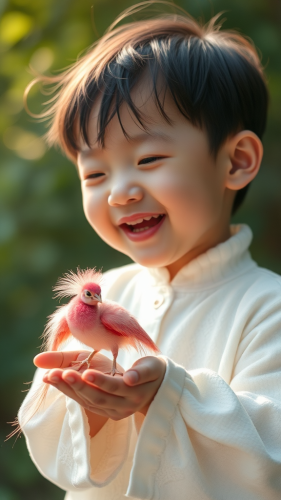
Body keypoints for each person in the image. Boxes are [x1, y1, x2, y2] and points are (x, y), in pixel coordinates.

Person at [18, 3, 281, 499]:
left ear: (237, 161)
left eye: (148, 158)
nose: (119, 192)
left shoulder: (267, 307)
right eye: (94, 173)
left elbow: (269, 454)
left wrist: (167, 394)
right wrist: (93, 412)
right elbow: (57, 453)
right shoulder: (103, 296)